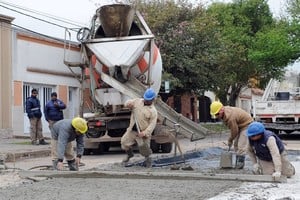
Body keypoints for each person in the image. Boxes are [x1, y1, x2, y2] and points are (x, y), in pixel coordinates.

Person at [121, 88, 158, 168]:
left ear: (152, 100)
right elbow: (127, 102)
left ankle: (148, 161)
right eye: (145, 99)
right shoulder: (137, 101)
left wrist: (144, 133)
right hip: (132, 130)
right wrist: (128, 104)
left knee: (145, 149)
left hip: (143, 132)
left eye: (148, 100)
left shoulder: (153, 111)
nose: (146, 101)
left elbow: (152, 125)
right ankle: (129, 154)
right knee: (124, 142)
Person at [210, 101, 253, 169]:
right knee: (236, 145)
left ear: (222, 109)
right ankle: (237, 162)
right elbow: (234, 130)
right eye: (215, 114)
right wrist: (233, 140)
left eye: (217, 114)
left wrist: (230, 140)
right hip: (239, 125)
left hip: (247, 125)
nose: (216, 116)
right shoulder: (225, 112)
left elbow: (234, 131)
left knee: (241, 146)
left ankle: (240, 166)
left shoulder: (230, 118)